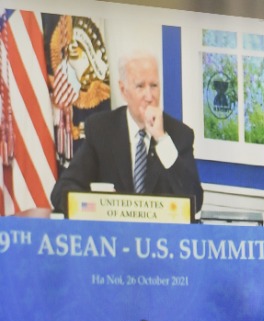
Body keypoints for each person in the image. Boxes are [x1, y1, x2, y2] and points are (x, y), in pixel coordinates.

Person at [50, 51, 203, 215]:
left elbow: (194, 201)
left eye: (154, 86)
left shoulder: (179, 135)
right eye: (140, 86)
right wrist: (98, 206)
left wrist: (161, 139)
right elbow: (62, 191)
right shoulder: (101, 130)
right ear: (123, 90)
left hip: (160, 231)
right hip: (112, 230)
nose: (149, 96)